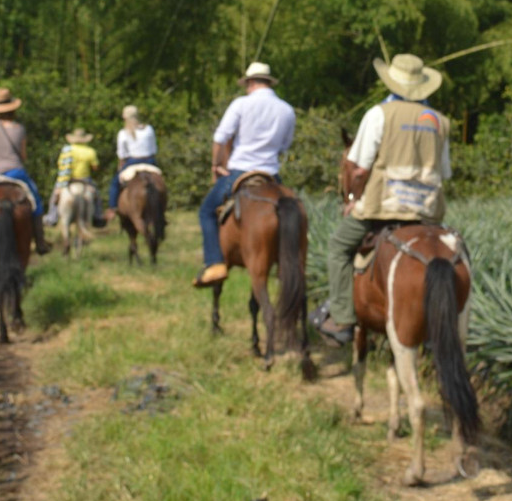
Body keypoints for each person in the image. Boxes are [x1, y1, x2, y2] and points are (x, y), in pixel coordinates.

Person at [315, 53, 451, 344]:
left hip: (382, 208)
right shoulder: (440, 121)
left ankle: (343, 318)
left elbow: (359, 168)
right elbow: (445, 172)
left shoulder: (379, 114)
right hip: (427, 213)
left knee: (338, 247)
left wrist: (353, 197)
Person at [192, 62, 296, 287]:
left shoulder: (241, 104)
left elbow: (220, 138)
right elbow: (284, 146)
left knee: (206, 211)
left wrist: (216, 165)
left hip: (240, 170)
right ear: (268, 82)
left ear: (250, 83)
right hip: (271, 174)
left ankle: (215, 263)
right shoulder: (287, 109)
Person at [0, 87, 51, 255]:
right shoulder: (19, 128)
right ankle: (40, 240)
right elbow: (24, 156)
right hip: (16, 172)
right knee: (36, 202)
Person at [104, 105, 158, 222]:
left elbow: (122, 154)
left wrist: (121, 166)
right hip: (150, 160)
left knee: (114, 184)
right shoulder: (149, 129)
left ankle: (112, 208)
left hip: (133, 161)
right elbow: (154, 149)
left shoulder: (123, 133)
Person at [42, 128, 102, 227]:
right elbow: (95, 167)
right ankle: (98, 217)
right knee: (97, 196)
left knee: (55, 197)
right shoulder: (90, 151)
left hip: (68, 180)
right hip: (85, 180)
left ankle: (52, 218)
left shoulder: (67, 150)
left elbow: (61, 165)